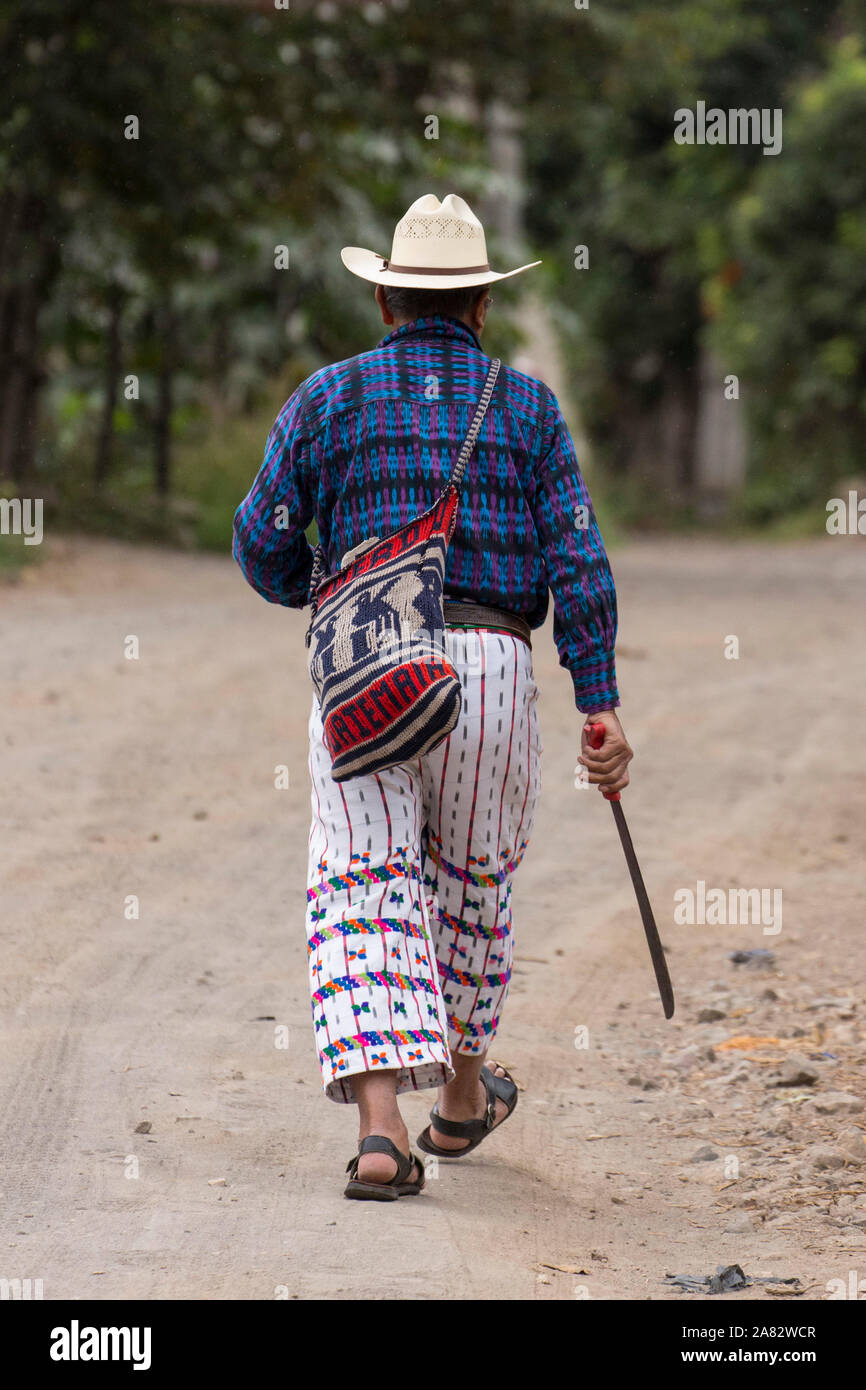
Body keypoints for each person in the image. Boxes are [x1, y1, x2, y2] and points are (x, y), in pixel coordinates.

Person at [232, 193, 633, 1200]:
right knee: (469, 885)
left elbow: (261, 540)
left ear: (382, 297)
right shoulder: (529, 407)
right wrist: (599, 703)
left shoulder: (326, 397)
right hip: (491, 667)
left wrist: (322, 587)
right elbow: (578, 564)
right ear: (481, 309)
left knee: (362, 879)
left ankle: (381, 1133)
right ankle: (458, 1091)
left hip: (364, 666)